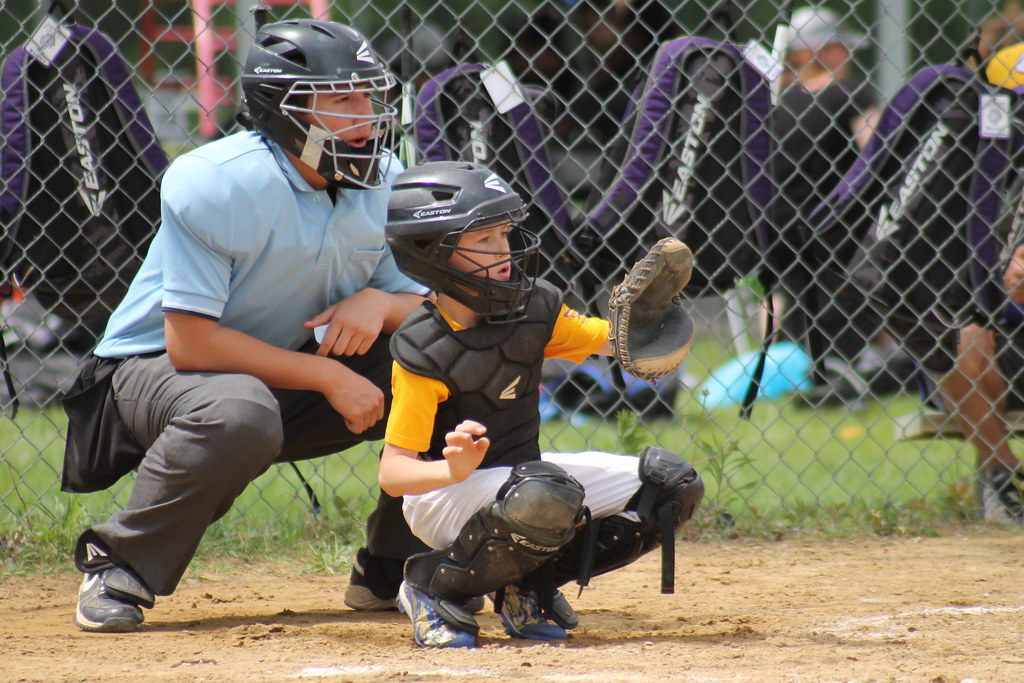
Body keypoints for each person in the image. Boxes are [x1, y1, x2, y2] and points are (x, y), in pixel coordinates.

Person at [66, 19, 435, 633]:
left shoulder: (384, 177)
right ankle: (119, 564)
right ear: (283, 109)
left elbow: (439, 314)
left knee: (449, 361)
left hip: (279, 375)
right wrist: (327, 376)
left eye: (371, 97)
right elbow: (191, 343)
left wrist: (381, 303)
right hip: (153, 372)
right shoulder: (218, 180)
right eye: (342, 99)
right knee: (239, 412)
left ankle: (393, 566)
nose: (367, 115)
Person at [377, 161, 705, 648]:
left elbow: (611, 340)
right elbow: (393, 474)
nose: (503, 250)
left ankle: (527, 586)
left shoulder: (532, 309)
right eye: (483, 239)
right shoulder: (423, 348)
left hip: (523, 482)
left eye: (504, 234)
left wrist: (645, 330)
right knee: (546, 493)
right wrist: (452, 469)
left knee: (670, 487)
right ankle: (433, 584)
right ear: (430, 250)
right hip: (442, 496)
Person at [770, 6, 911, 405]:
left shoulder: (782, 99)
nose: (847, 55)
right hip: (837, 227)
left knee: (801, 302)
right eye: (840, 47)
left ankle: (816, 370)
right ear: (822, 50)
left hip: (781, 229)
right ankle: (854, 369)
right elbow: (881, 152)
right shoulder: (850, 91)